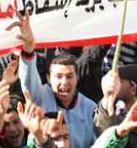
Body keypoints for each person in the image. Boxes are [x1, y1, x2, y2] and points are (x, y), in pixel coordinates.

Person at [8, 9, 98, 147]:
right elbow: (28, 79)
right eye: (59, 76)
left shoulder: (90, 108)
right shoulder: (40, 96)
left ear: (77, 78)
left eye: (69, 76)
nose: (64, 82)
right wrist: (28, 49)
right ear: (49, 78)